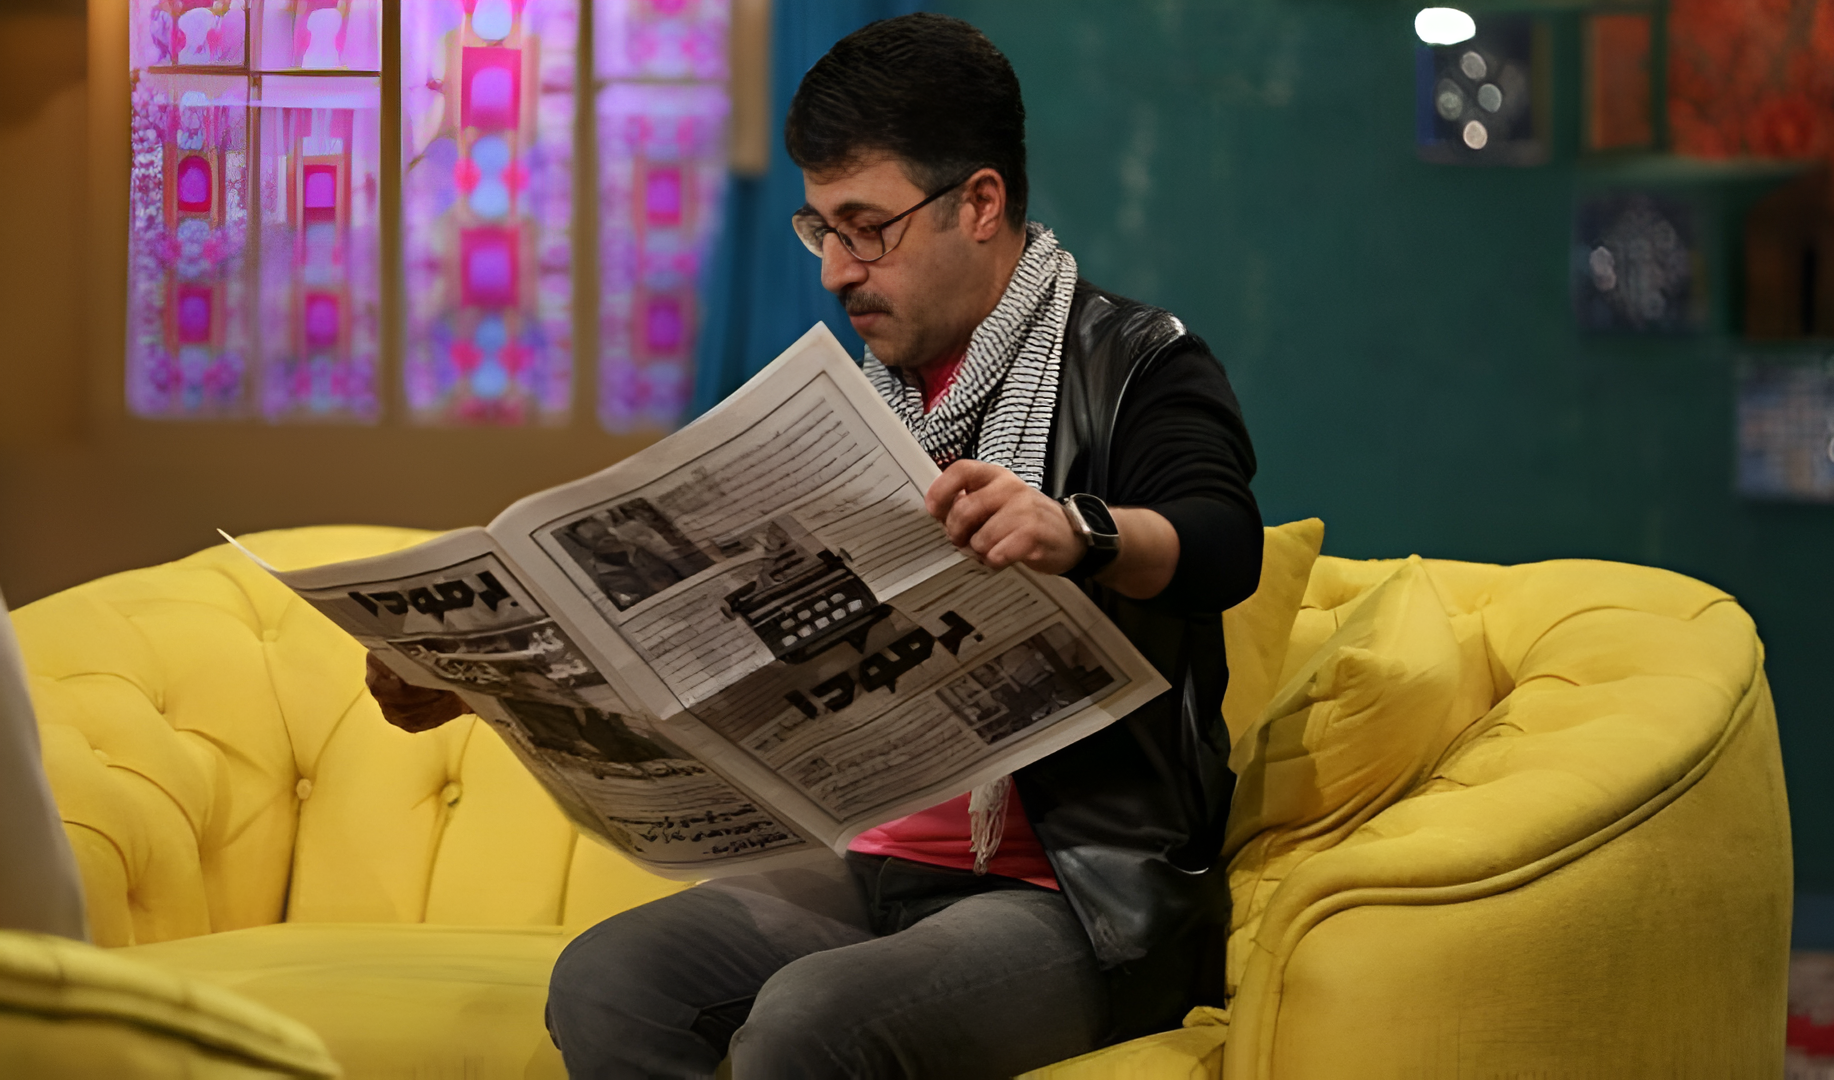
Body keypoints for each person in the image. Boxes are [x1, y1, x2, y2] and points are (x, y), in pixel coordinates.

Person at [366, 13, 1262, 1078]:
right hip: (866, 864)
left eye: (866, 228)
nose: (836, 271)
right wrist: (504, 683)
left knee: (809, 1020)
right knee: (610, 981)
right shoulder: (852, 399)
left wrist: (1074, 529)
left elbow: (1223, 542)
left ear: (979, 204)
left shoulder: (1135, 363)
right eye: (820, 229)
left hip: (1074, 897)